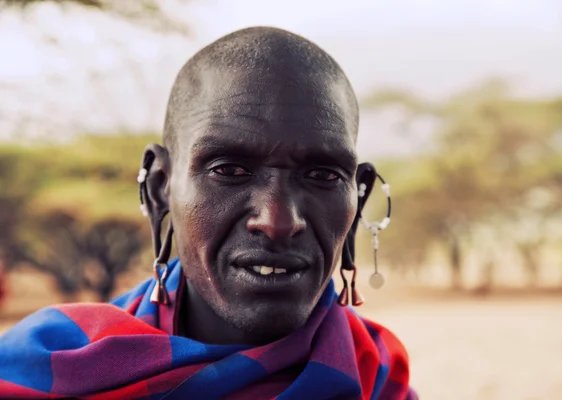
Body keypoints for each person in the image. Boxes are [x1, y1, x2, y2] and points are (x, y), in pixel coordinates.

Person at [0, 27, 418, 399]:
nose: (278, 221)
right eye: (229, 170)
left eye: (323, 174)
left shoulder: (378, 379)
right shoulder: (49, 369)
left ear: (358, 199)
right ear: (160, 188)